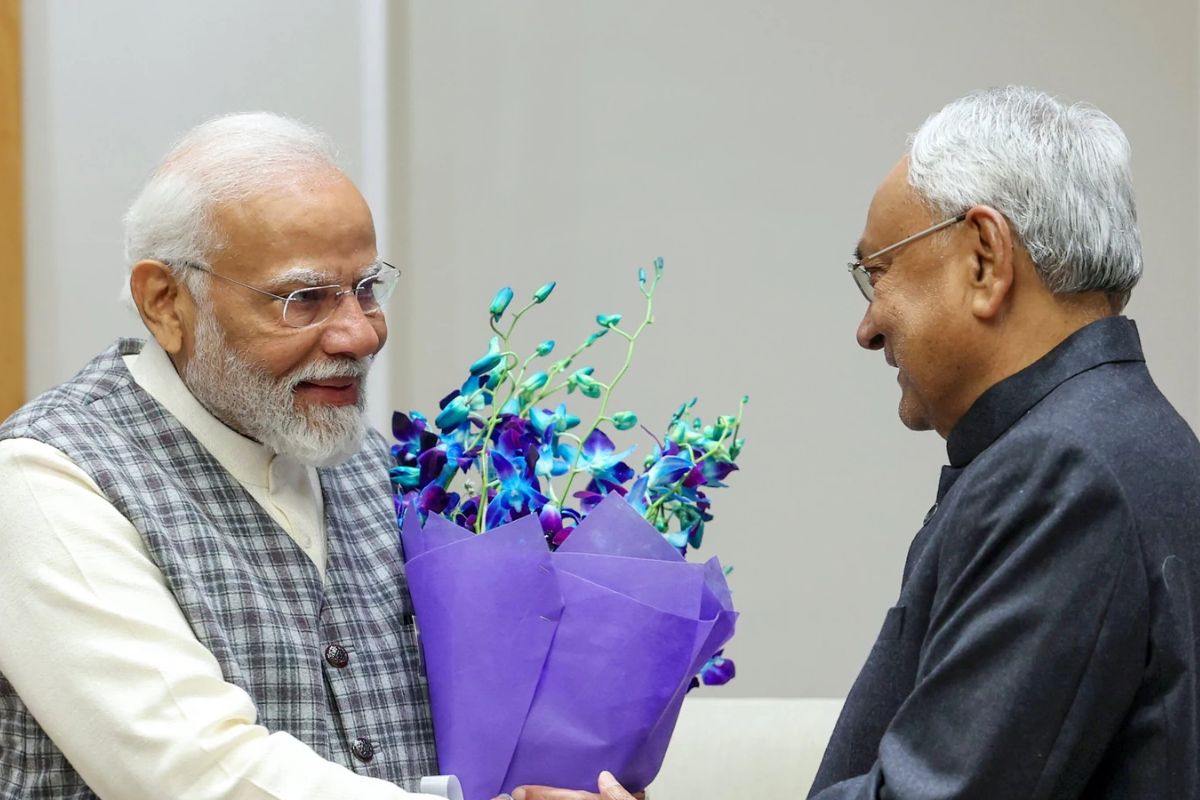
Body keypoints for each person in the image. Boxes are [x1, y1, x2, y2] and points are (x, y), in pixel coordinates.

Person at [0, 113, 457, 798]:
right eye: (304, 299)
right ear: (165, 303)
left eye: (366, 289)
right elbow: (194, 774)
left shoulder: (370, 461)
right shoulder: (46, 478)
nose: (360, 335)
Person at [806, 86, 1200, 797]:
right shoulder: (1126, 442)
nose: (867, 328)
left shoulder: (1063, 476)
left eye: (878, 272)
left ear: (986, 258)